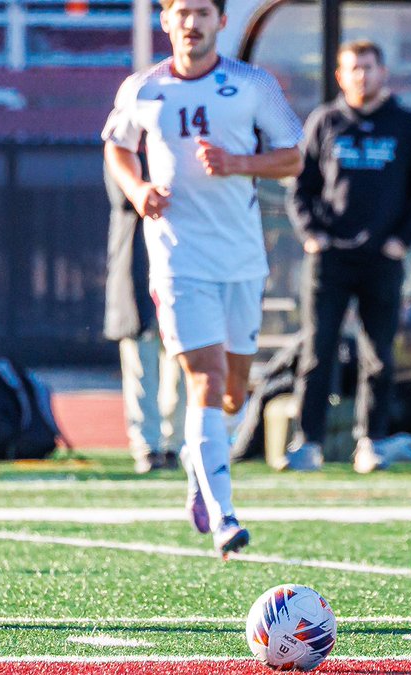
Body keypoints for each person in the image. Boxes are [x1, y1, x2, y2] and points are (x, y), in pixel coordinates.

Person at [102, 0, 304, 557]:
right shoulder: (142, 88)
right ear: (165, 21)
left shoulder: (251, 84)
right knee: (206, 383)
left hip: (240, 260)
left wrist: (240, 164)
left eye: (202, 13)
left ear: (220, 21)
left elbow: (293, 156)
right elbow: (117, 147)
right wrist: (138, 190)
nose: (191, 23)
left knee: (234, 393)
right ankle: (224, 516)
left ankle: (199, 463)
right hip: (177, 260)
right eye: (181, 12)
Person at [286, 40, 411, 474]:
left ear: (382, 71)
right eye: (353, 69)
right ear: (340, 76)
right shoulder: (325, 122)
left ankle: (370, 442)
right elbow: (301, 190)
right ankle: (307, 443)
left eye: (368, 68)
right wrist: (313, 236)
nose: (361, 76)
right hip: (329, 259)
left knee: (379, 356)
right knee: (318, 352)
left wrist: (400, 240)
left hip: (381, 260)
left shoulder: (406, 125)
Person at [103, 162, 186, 475]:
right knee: (140, 357)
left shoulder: (179, 140)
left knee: (181, 358)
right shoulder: (123, 152)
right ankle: (147, 445)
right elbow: (128, 197)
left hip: (180, 267)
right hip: (137, 267)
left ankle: (174, 444)